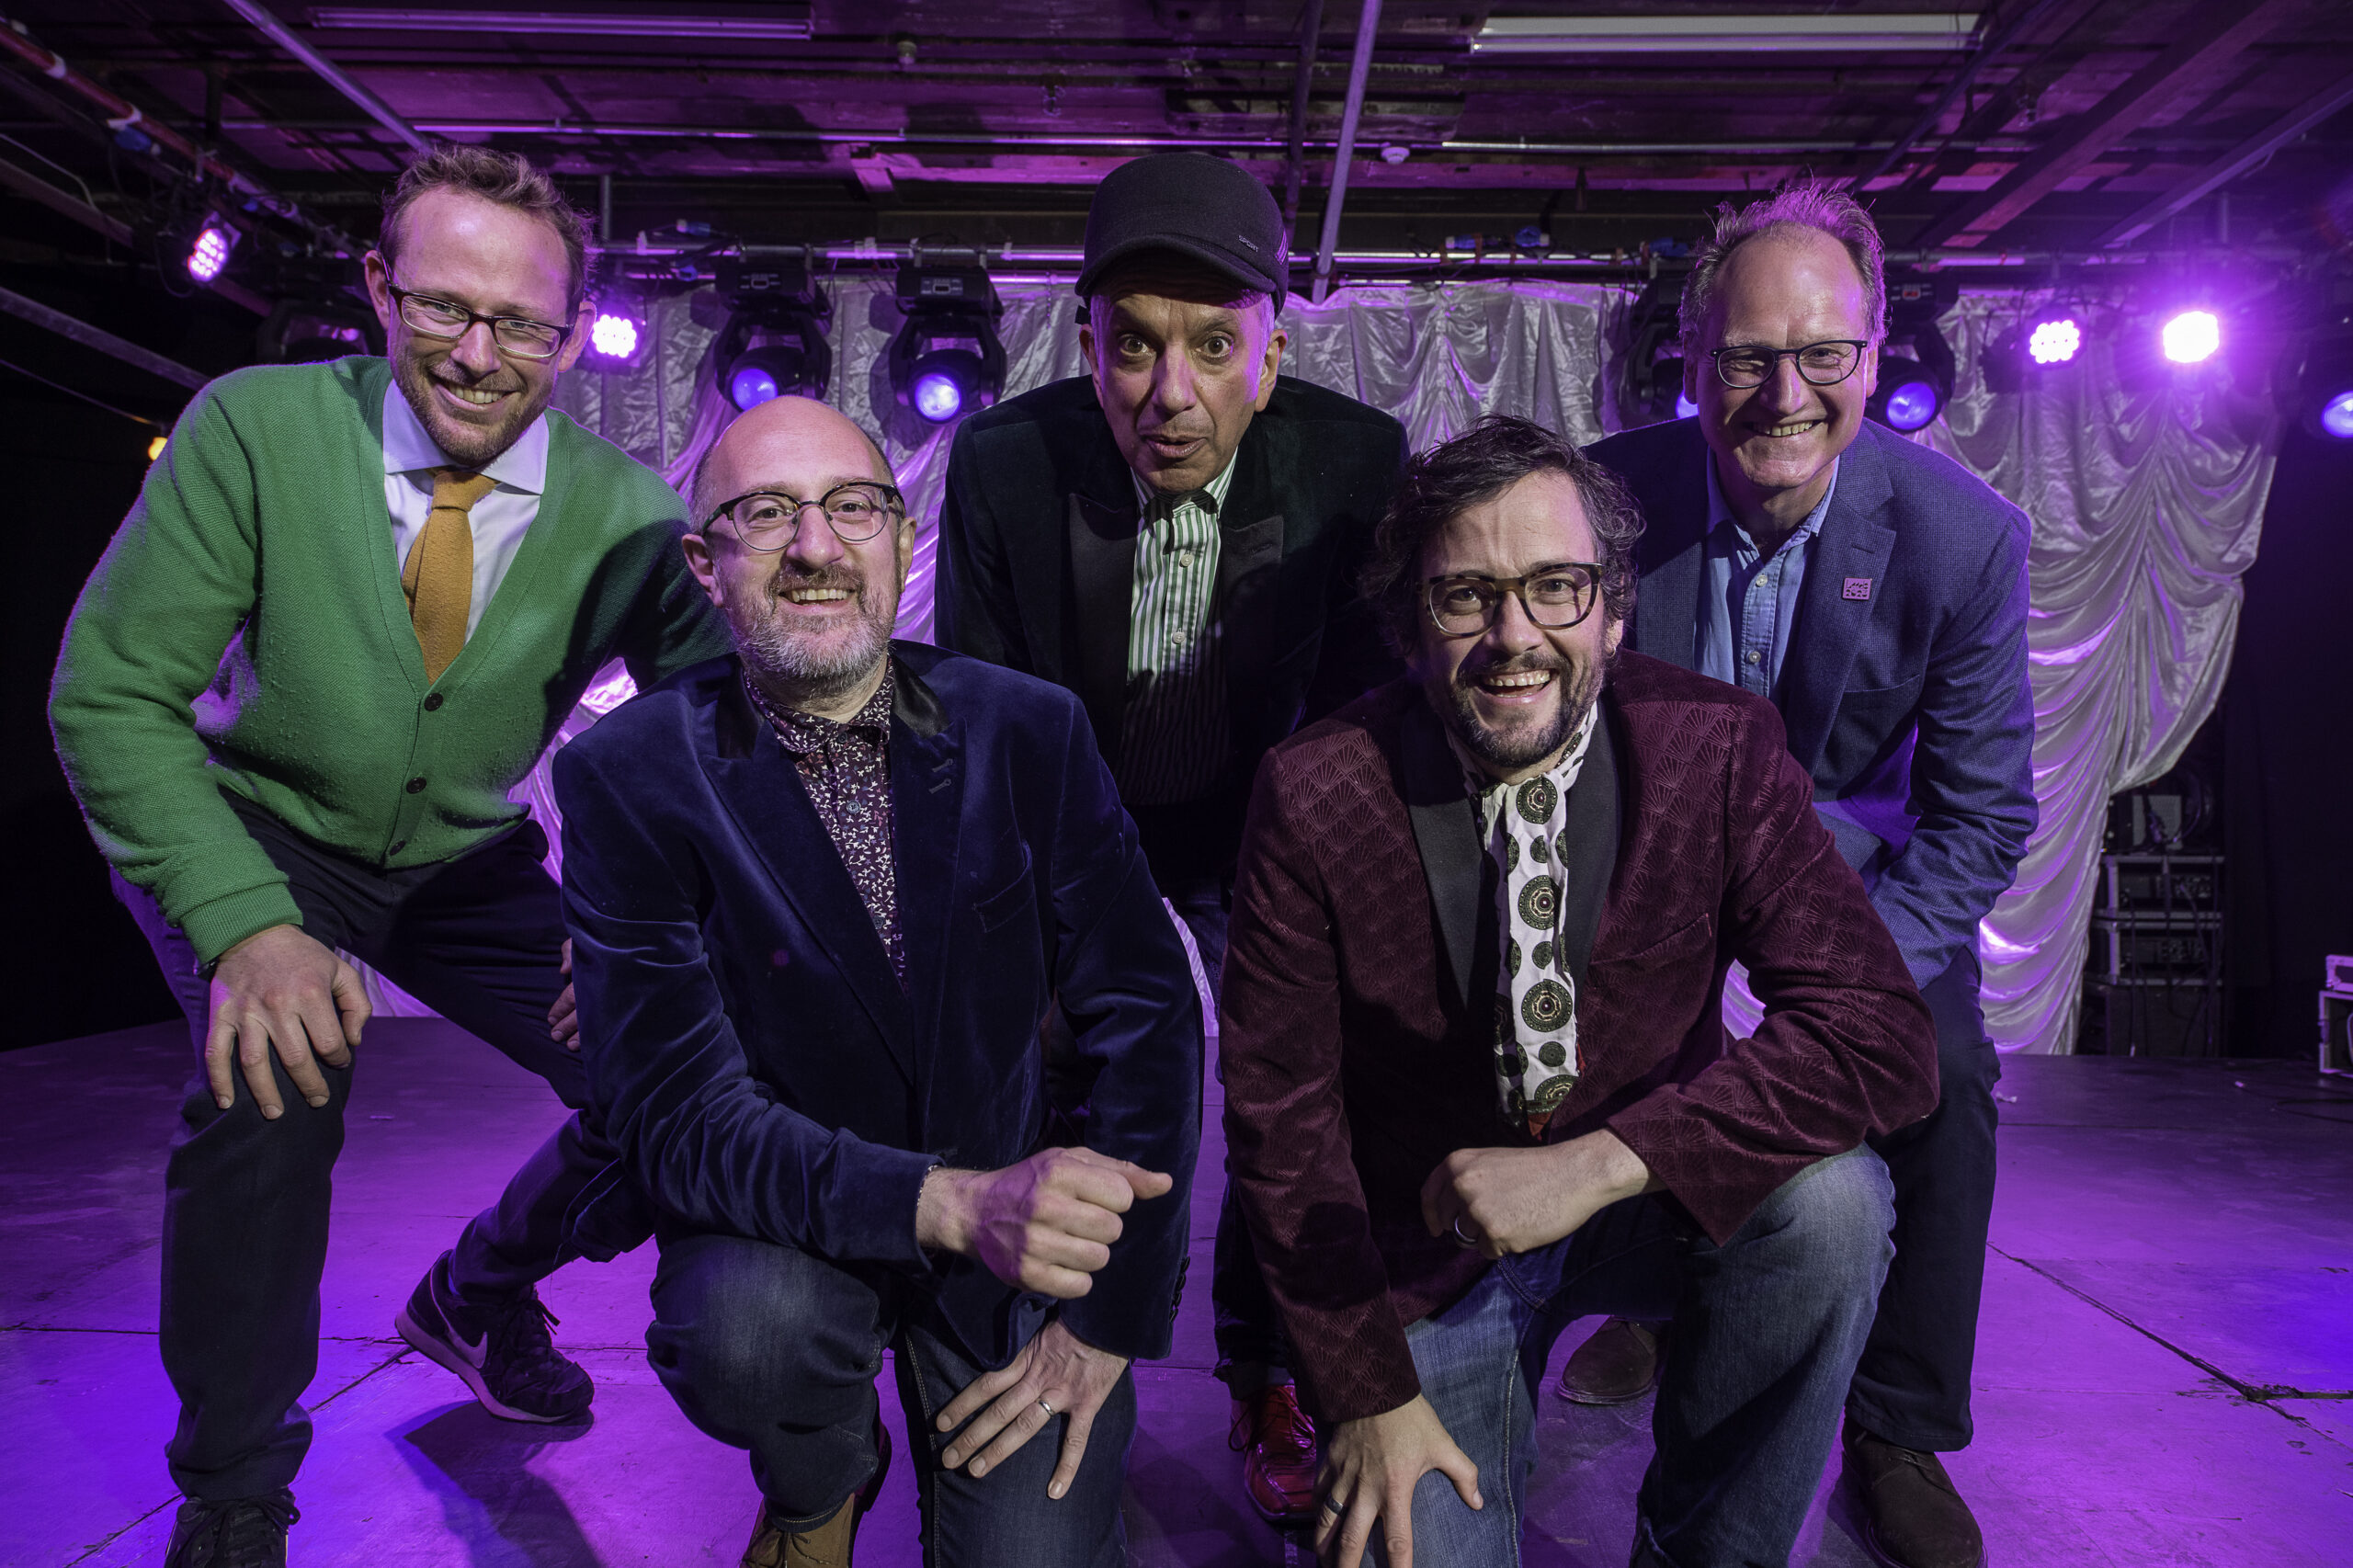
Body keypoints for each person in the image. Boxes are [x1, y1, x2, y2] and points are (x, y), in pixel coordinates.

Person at [48, 145, 730, 1566]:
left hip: (461, 863)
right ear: (377, 286)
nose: (479, 356)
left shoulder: (630, 514)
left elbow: (710, 741)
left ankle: (479, 1290)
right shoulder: (257, 425)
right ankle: (236, 1487)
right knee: (276, 1075)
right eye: (440, 308)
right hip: (255, 831)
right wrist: (247, 923)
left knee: (668, 1069)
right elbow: (109, 692)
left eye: (523, 323)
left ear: (571, 328)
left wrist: (645, 933)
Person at [1220, 415, 1940, 1568]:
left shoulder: (1717, 750)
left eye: (1556, 587)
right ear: (1411, 620)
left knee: (1834, 1204)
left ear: (1612, 606)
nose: (1515, 637)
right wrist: (1360, 1388)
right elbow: (1279, 1119)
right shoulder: (1315, 791)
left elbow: (1881, 1036)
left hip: (1649, 1198)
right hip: (1424, 1249)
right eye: (1465, 596)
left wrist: (1603, 1161)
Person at [556, 393, 1200, 1566]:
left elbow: (1150, 1017)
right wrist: (949, 1200)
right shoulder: (629, 776)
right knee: (742, 1340)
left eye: (854, 507)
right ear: (706, 562)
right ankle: (821, 1477)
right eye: (767, 514)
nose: (816, 546)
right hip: (788, 1231)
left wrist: (1105, 1327)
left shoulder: (1028, 729)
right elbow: (672, 1119)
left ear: (901, 541)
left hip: (1006, 1238)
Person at [934, 149, 1405, 1523]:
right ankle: (1045, 1339)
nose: (1170, 393)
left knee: (1289, 1092)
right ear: (1087, 343)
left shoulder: (1355, 464)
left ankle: (1266, 1367)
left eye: (1212, 346)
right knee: (1039, 1059)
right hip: (1074, 830)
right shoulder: (1007, 464)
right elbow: (982, 712)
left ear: (1269, 351)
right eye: (1132, 346)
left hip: (1267, 836)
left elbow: (1361, 717)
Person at [1575, 181, 2035, 1568]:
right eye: (1748, 356)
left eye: (1823, 353)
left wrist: (1844, 992)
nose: (1786, 391)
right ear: (1694, 356)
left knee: (1945, 1073)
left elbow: (1979, 815)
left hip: (1850, 894)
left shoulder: (1966, 537)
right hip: (1640, 869)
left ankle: (1897, 1426)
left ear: (1877, 346)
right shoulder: (1603, 499)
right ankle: (1662, 1298)